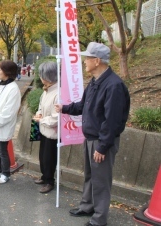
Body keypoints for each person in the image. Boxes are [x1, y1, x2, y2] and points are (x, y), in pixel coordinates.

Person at [55, 42, 130, 226]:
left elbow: (111, 121)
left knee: (101, 180)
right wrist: (64, 108)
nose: (84, 62)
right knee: (90, 175)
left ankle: (99, 218)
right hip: (90, 138)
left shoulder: (114, 86)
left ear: (97, 61)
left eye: (87, 58)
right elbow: (82, 105)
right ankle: (87, 206)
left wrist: (103, 146)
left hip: (101, 141)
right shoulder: (96, 81)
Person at [32, 61, 58, 193]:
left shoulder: (58, 93)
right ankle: (44, 176)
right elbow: (41, 107)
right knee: (42, 156)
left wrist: (42, 119)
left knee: (49, 158)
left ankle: (50, 181)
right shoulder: (46, 91)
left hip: (53, 132)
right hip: (43, 129)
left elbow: (56, 117)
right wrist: (39, 114)